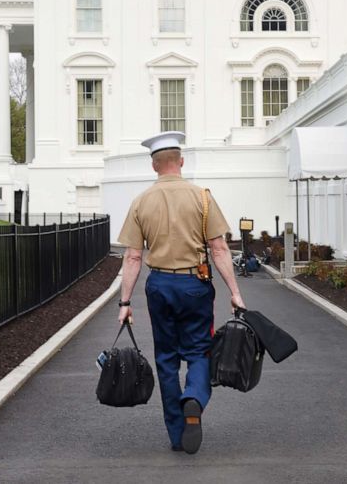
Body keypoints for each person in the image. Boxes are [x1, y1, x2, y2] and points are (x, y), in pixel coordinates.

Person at [116, 131, 245, 455]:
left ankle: (177, 433)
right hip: (194, 285)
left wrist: (125, 302)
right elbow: (219, 248)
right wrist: (235, 292)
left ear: (154, 165)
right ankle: (195, 398)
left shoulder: (141, 201)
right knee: (200, 351)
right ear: (181, 162)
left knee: (166, 359)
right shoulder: (202, 197)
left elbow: (133, 257)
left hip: (159, 285)